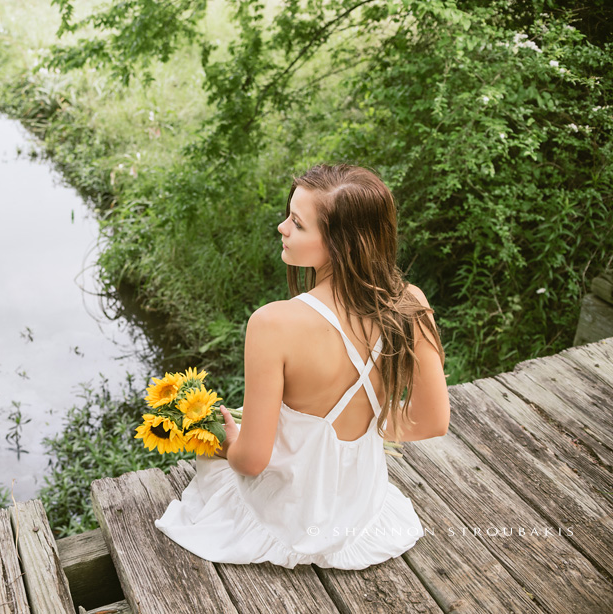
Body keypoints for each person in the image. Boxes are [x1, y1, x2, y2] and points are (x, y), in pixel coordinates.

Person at [155, 163, 450, 570]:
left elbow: (252, 461)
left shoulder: (273, 323)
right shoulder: (411, 304)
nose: (282, 228)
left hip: (287, 518)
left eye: (297, 223)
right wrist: (364, 427)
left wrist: (224, 442)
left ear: (343, 245)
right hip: (361, 512)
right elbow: (433, 421)